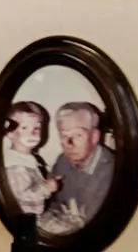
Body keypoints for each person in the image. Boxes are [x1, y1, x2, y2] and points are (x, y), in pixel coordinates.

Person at [44, 101, 115, 236]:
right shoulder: (62, 161)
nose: (70, 144)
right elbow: (53, 204)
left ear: (94, 136)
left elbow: (94, 229)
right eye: (64, 136)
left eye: (78, 135)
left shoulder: (111, 172)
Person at [2, 101, 57, 216]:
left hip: (33, 216)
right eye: (25, 128)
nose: (32, 132)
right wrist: (45, 188)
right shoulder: (15, 165)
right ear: (10, 133)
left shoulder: (28, 160)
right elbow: (21, 196)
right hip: (22, 220)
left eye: (37, 127)